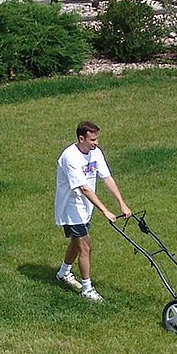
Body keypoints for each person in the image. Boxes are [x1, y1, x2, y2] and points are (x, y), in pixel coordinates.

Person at [54, 120, 130, 302]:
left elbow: (107, 177)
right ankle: (87, 288)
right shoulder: (69, 157)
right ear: (81, 138)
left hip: (85, 207)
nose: (96, 143)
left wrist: (121, 203)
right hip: (71, 207)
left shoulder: (95, 153)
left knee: (77, 242)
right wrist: (105, 211)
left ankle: (63, 273)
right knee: (86, 245)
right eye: (92, 139)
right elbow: (84, 188)